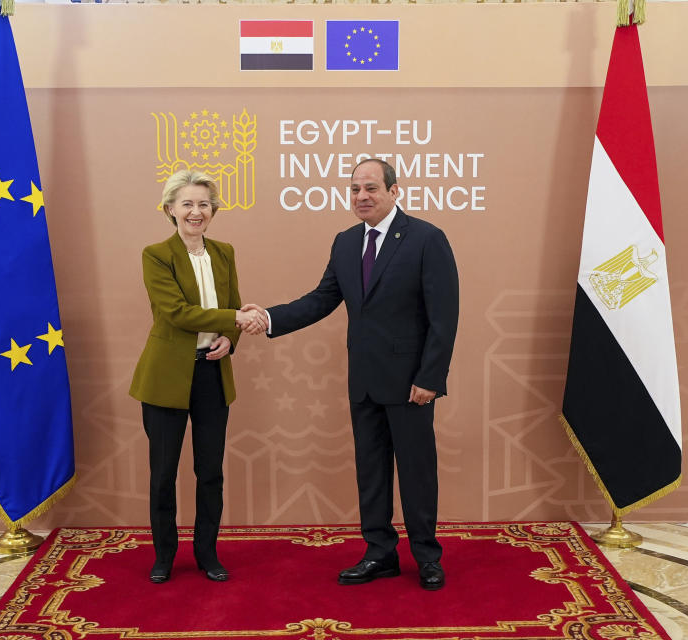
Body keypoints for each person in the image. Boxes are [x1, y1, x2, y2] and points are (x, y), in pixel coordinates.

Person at [242, 158, 459, 590]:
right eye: (355, 189)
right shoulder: (344, 243)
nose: (362, 196)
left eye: (371, 189)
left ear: (394, 191)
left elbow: (444, 315)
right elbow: (321, 299)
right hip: (362, 380)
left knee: (417, 472)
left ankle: (427, 557)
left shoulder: (426, 239)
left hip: (411, 384)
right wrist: (267, 317)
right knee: (371, 472)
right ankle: (379, 554)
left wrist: (430, 378)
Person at [129, 169, 260, 584]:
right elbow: (176, 313)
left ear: (213, 210)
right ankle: (164, 556)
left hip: (211, 375)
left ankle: (207, 554)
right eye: (187, 203)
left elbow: (233, 309)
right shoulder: (156, 254)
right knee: (164, 473)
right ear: (170, 209)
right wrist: (235, 318)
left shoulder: (225, 252)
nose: (196, 211)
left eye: (204, 203)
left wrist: (229, 337)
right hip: (166, 379)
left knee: (211, 472)